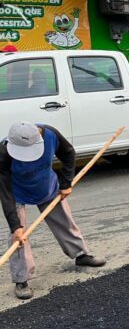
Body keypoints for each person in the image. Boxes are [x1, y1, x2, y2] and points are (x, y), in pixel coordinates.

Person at [0, 122, 105, 300]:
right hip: (17, 192)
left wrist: (66, 183)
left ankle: (81, 255)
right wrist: (15, 225)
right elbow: (5, 191)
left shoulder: (51, 135)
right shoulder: (3, 152)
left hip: (46, 186)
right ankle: (21, 279)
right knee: (18, 238)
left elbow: (68, 154)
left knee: (65, 220)